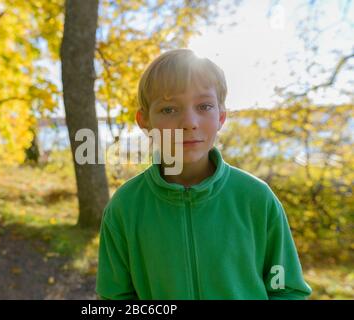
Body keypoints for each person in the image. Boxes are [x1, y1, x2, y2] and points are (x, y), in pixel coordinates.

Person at [96, 48, 312, 299]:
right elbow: (115, 296)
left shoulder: (256, 198)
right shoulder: (126, 207)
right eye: (168, 109)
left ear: (221, 117)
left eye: (204, 106)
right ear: (145, 121)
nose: (189, 122)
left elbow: (286, 289)